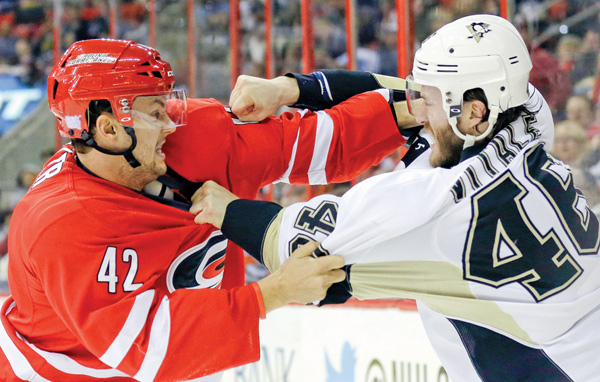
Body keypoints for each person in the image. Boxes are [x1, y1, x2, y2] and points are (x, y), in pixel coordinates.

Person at [192, 15, 600, 381]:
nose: (418, 112)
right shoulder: (527, 116)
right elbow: (406, 97)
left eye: (432, 101)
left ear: (475, 113)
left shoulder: (431, 207)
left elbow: (291, 249)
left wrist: (214, 201)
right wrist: (290, 88)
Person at [0, 39, 418, 381]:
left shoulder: (194, 134)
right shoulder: (61, 224)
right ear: (109, 128)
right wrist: (276, 291)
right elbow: (150, 346)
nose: (169, 123)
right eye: (155, 113)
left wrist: (417, 111)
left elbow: (320, 143)